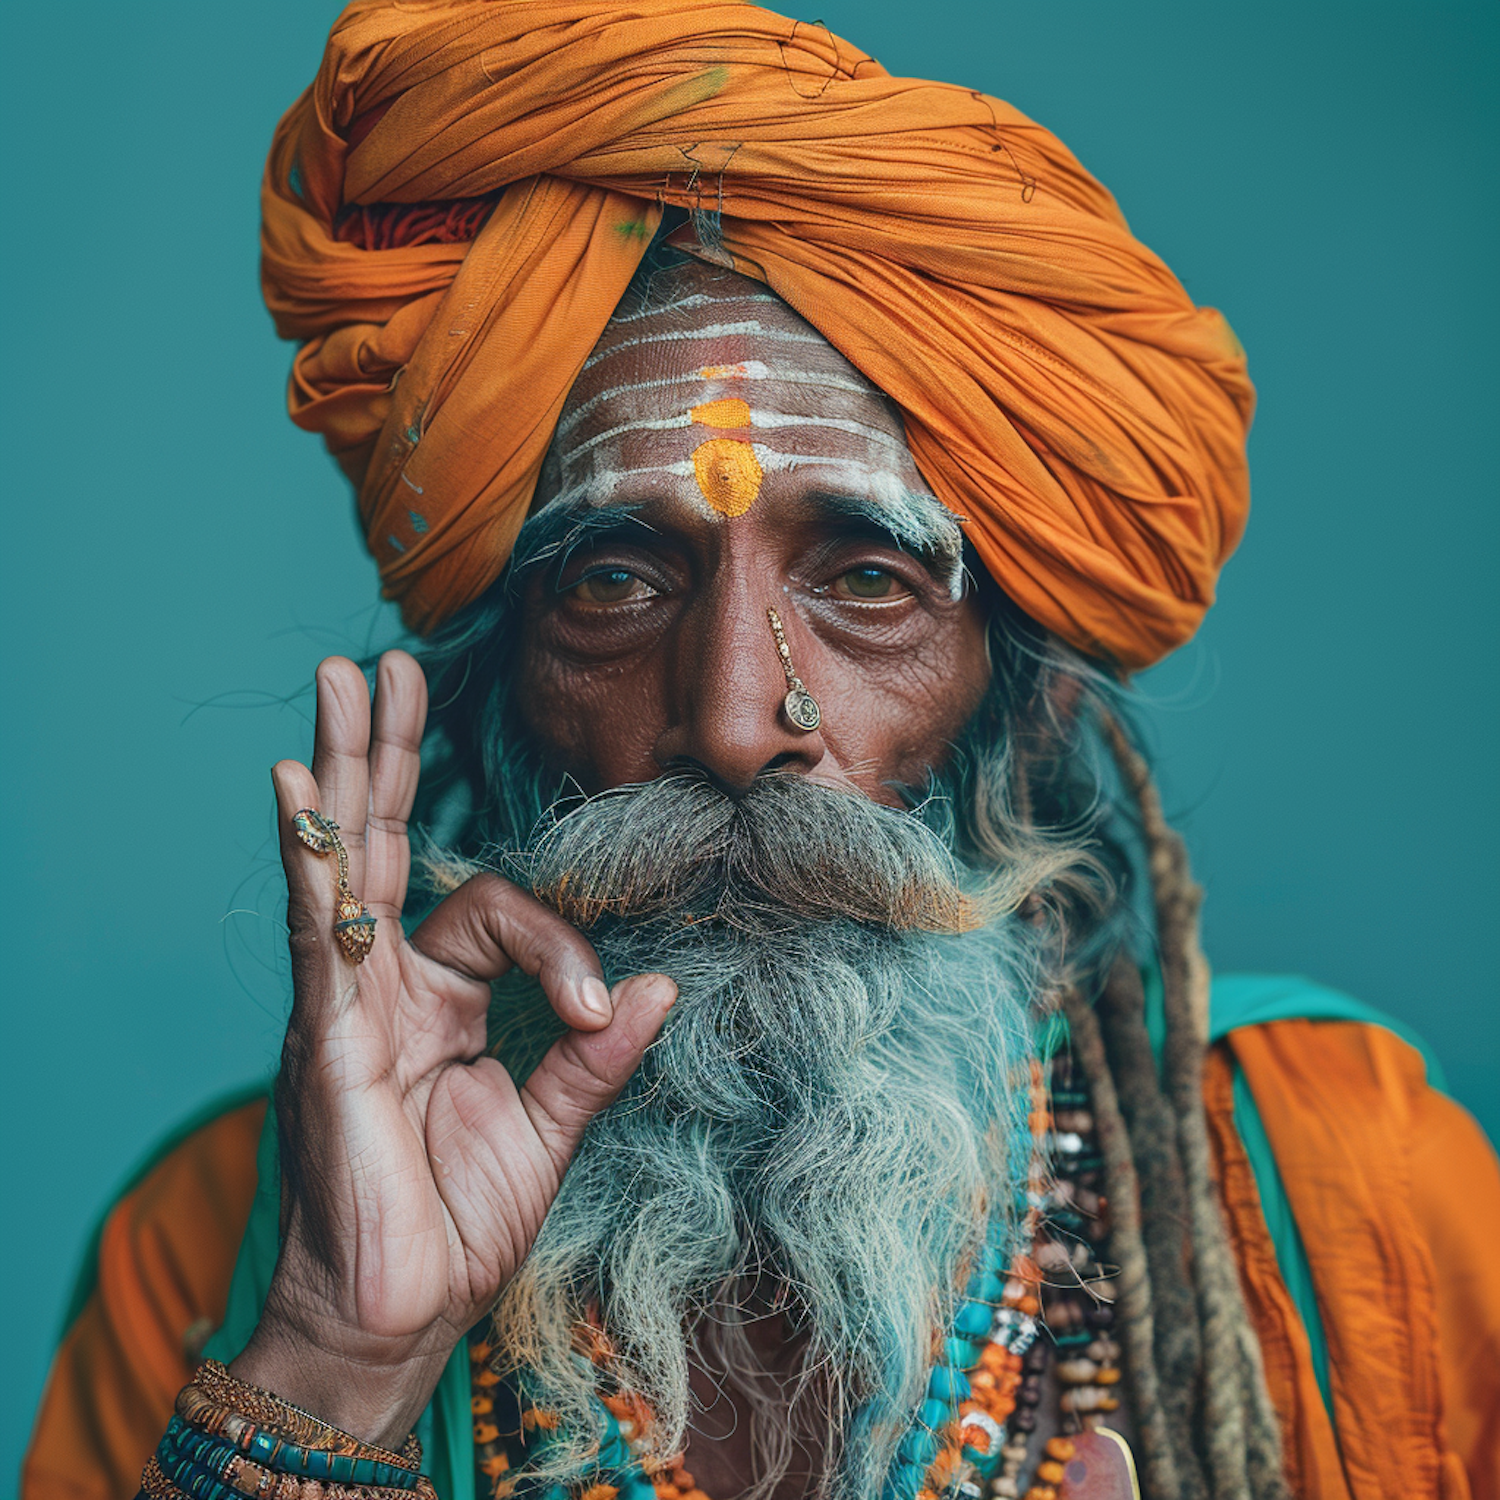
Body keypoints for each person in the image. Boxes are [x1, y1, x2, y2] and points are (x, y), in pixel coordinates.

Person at [23, 3, 1499, 1499]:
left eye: (868, 580)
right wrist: (338, 1358)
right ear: (498, 689)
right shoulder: (222, 1244)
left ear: (1028, 692)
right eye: (614, 582)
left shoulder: (1355, 1195)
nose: (734, 724)